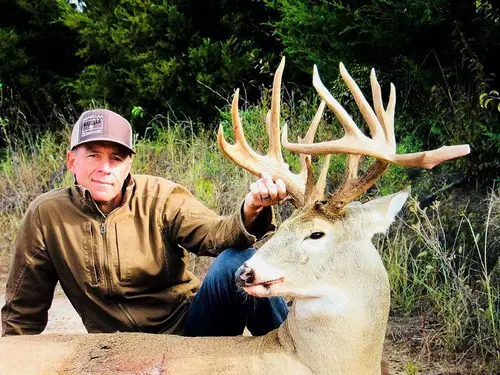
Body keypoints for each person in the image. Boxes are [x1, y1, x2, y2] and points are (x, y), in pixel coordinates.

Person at [1, 109, 288, 337]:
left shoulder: (161, 197)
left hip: (191, 332)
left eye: (116, 158)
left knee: (239, 262)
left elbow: (215, 234)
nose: (105, 168)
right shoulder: (45, 216)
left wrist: (251, 209)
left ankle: (292, 355)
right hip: (116, 352)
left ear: (128, 164)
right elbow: (22, 313)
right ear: (72, 161)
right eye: (93, 155)